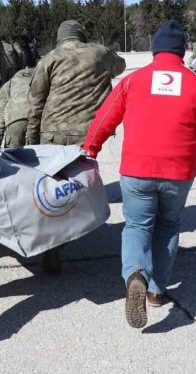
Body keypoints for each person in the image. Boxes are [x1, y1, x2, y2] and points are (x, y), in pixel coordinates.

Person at [83, 20, 196, 330]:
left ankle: (135, 273)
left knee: (136, 225)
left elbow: (104, 117)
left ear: (155, 48)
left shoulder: (135, 80)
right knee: (167, 226)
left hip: (136, 170)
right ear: (183, 50)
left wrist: (89, 149)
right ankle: (156, 291)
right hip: (178, 173)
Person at [26, 19, 126, 274]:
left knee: (53, 190)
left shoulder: (48, 59)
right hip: (88, 136)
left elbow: (35, 103)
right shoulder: (99, 53)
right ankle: (83, 228)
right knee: (81, 184)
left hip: (53, 135)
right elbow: (120, 66)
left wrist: (31, 142)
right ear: (81, 35)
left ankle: (53, 247)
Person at [0, 58, 37, 148]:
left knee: (13, 157)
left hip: (16, 119)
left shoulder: (11, 82)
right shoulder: (46, 78)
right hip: (39, 119)